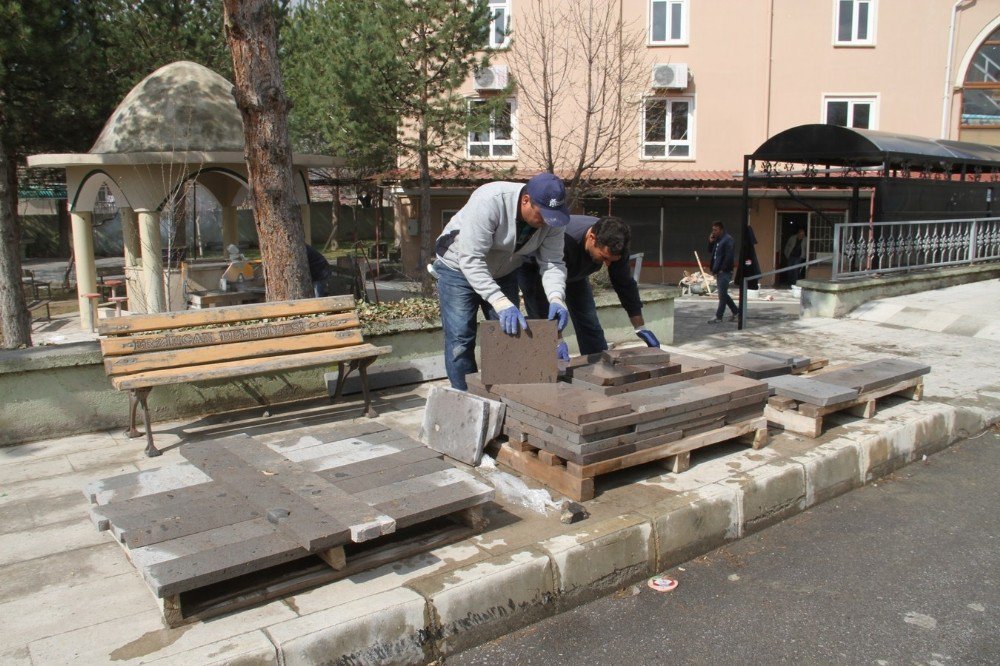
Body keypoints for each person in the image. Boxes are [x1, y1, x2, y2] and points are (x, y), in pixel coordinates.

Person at [432, 172, 570, 391]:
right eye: (541, 215)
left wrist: (556, 298)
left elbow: (552, 262)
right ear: (526, 200)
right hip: (458, 268)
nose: (546, 222)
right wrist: (500, 301)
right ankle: (466, 398)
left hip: (504, 270)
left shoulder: (554, 218)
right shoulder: (490, 200)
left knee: (510, 335)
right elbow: (471, 259)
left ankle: (506, 397)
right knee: (461, 339)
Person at [518, 215, 659, 356]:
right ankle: (549, 371)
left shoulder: (616, 247)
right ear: (592, 238)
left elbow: (625, 285)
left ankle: (599, 367)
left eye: (611, 260)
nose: (608, 264)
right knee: (545, 326)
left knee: (589, 322)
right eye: (604, 258)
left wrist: (640, 327)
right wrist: (557, 340)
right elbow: (544, 304)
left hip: (575, 274)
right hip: (535, 270)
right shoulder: (564, 238)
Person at [707, 220, 740, 323]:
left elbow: (729, 257)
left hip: (725, 272)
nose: (714, 232)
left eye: (716, 230)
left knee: (722, 295)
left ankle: (719, 317)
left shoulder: (728, 240)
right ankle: (736, 312)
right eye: (713, 230)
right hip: (718, 271)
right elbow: (710, 251)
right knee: (723, 294)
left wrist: (722, 270)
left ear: (721, 230)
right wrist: (710, 242)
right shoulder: (717, 240)